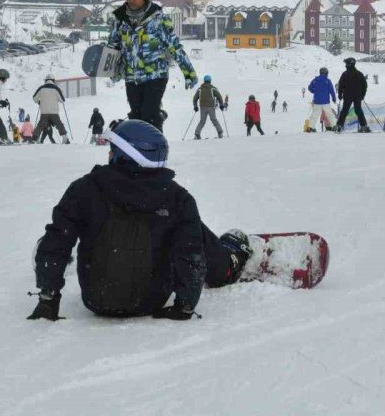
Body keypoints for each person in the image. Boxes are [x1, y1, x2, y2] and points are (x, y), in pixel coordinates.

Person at [28, 119, 254, 321]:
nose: (109, 154)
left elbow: (58, 238)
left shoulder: (85, 188)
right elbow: (191, 254)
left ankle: (59, 266)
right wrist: (185, 305)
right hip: (152, 299)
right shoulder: (177, 198)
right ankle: (226, 265)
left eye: (112, 149)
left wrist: (48, 298)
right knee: (192, 230)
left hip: (96, 298)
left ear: (124, 155)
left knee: (61, 232)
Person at [107, 0, 197, 131]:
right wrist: (111, 70)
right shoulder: (120, 19)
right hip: (132, 76)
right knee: (136, 117)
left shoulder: (158, 19)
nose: (132, 0)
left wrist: (188, 72)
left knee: (149, 115)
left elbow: (174, 46)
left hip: (155, 75)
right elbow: (113, 47)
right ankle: (137, 151)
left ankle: (155, 149)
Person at [336, 57, 370, 133]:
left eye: (346, 64)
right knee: (358, 110)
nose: (345, 65)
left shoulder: (345, 74)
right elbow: (365, 86)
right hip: (357, 96)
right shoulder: (359, 74)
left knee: (345, 111)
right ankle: (364, 126)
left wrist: (340, 94)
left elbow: (340, 85)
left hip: (348, 96)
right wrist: (362, 95)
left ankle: (339, 126)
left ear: (350, 64)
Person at [33, 74, 69, 144]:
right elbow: (62, 100)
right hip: (54, 111)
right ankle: (64, 137)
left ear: (46, 80)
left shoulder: (41, 88)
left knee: (40, 125)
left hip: (44, 111)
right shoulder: (56, 88)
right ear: (53, 80)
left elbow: (34, 98)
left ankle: (35, 138)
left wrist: (39, 102)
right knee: (59, 124)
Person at [192, 74, 225, 139]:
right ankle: (220, 132)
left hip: (203, 107)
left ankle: (197, 134)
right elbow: (219, 96)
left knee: (202, 121)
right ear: (210, 81)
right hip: (211, 107)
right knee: (214, 120)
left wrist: (195, 106)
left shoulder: (200, 89)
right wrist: (221, 105)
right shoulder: (213, 88)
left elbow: (195, 98)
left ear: (204, 81)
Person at [306, 67, 337, 132]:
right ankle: (334, 126)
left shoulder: (315, 80)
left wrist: (314, 91)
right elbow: (332, 91)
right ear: (326, 73)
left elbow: (309, 88)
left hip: (317, 101)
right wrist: (334, 98)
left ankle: (311, 127)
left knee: (314, 114)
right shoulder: (328, 81)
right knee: (329, 114)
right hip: (326, 101)